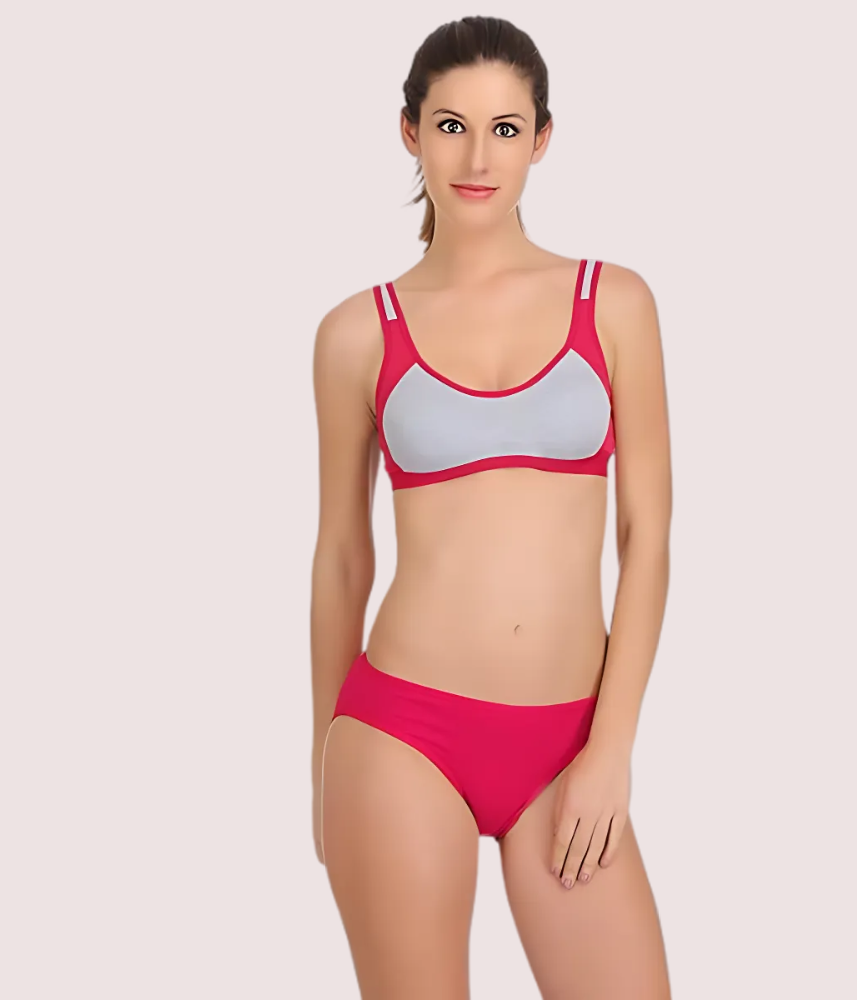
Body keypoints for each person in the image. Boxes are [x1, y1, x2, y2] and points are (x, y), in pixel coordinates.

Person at [311, 16, 673, 999]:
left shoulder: (614, 303)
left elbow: (646, 538)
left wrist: (612, 748)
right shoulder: (356, 334)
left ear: (541, 139)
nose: (477, 158)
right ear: (410, 131)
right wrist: (322, 756)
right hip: (399, 735)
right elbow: (342, 556)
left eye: (505, 129)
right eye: (451, 126)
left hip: (568, 742)